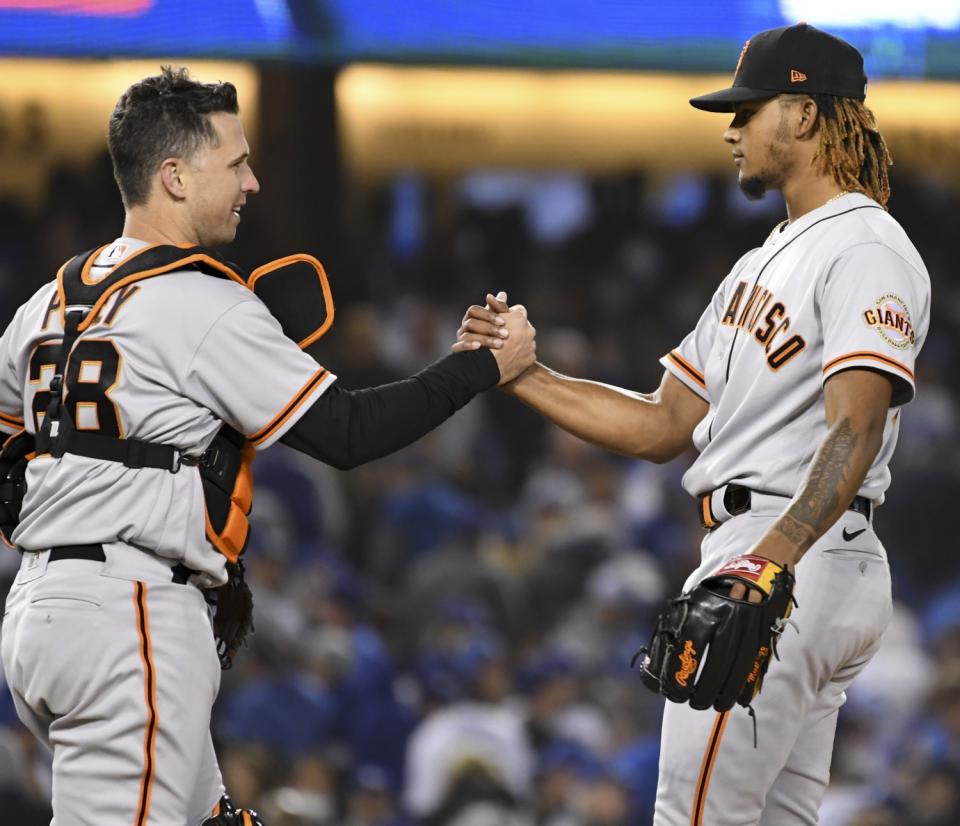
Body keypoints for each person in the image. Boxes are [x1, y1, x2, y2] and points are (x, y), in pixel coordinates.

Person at [0, 66, 535, 825]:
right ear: (175, 177)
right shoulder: (202, 300)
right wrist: (481, 366)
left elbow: (6, 438)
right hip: (128, 614)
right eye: (238, 163)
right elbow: (347, 433)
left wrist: (66, 509)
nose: (252, 183)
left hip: (41, 613)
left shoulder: (50, 300)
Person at [456, 23, 930, 826]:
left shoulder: (865, 245)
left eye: (749, 110)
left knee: (694, 814)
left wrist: (765, 567)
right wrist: (526, 376)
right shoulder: (760, 261)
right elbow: (662, 424)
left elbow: (854, 429)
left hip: (790, 550)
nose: (731, 128)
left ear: (806, 115)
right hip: (788, 558)